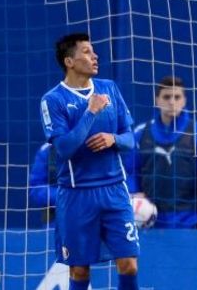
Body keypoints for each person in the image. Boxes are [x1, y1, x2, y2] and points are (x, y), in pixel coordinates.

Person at [39, 33, 139, 290]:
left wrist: (113, 139)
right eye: (86, 52)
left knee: (129, 263)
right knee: (80, 270)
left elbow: (130, 139)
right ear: (69, 61)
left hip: (115, 190)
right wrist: (91, 112)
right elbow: (64, 148)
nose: (94, 56)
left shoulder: (109, 88)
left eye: (93, 51)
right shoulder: (53, 100)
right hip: (76, 195)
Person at [126, 76, 197, 229]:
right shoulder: (140, 134)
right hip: (151, 223)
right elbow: (130, 172)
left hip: (191, 222)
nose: (172, 102)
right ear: (157, 100)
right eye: (166, 97)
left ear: (184, 100)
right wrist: (133, 195)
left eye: (177, 97)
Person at [29, 142, 58, 222]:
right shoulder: (47, 150)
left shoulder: (92, 143)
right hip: (56, 217)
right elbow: (35, 188)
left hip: (89, 212)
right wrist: (63, 197)